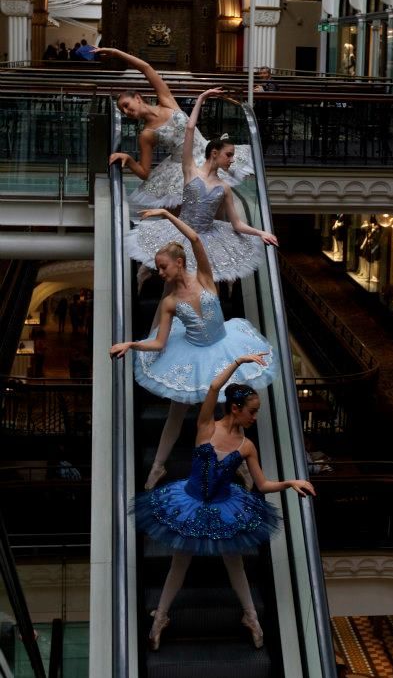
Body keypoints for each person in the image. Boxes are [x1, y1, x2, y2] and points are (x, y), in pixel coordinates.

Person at [132, 356, 315, 651]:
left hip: (225, 505)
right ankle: (160, 618)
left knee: (235, 562)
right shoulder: (206, 425)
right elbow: (216, 385)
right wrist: (239, 361)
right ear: (235, 409)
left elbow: (264, 484)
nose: (255, 418)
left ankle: (251, 616)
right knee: (180, 560)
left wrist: (290, 483)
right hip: (189, 501)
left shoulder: (247, 446)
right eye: (252, 412)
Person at [110, 207, 278, 489]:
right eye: (157, 268)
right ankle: (158, 467)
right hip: (190, 355)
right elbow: (160, 343)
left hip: (225, 347)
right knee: (178, 412)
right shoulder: (169, 303)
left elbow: (196, 240)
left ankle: (243, 469)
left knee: (226, 416)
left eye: (163, 267)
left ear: (179, 262)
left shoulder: (203, 276)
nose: (160, 273)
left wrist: (166, 213)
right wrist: (132, 343)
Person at [124, 87, 277, 283]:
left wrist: (261, 232)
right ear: (214, 153)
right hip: (181, 233)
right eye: (228, 155)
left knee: (205, 280)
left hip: (208, 238)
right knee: (178, 279)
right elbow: (189, 128)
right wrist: (201, 99)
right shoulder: (190, 170)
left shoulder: (225, 188)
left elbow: (237, 224)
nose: (232, 160)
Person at [98, 48, 251, 210]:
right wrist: (128, 159)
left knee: (218, 201)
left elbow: (146, 68)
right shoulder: (146, 134)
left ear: (137, 97)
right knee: (193, 209)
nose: (126, 112)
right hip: (184, 167)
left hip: (208, 153)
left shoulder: (166, 100)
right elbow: (144, 172)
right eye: (123, 111)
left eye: (126, 106)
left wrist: (116, 53)